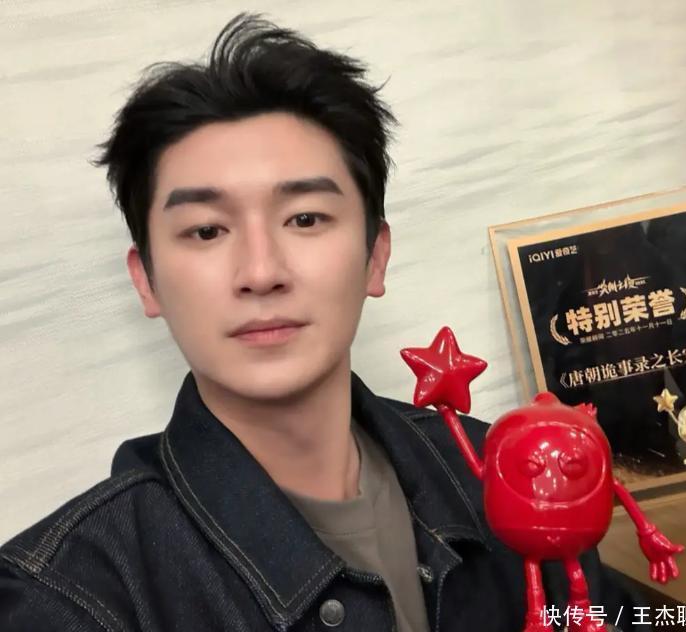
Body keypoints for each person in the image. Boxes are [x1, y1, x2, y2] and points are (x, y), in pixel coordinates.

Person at [0, 13, 644, 631]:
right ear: (147, 280)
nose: (261, 271)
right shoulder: (67, 594)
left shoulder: (500, 469)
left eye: (305, 218)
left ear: (375, 257)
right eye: (206, 230)